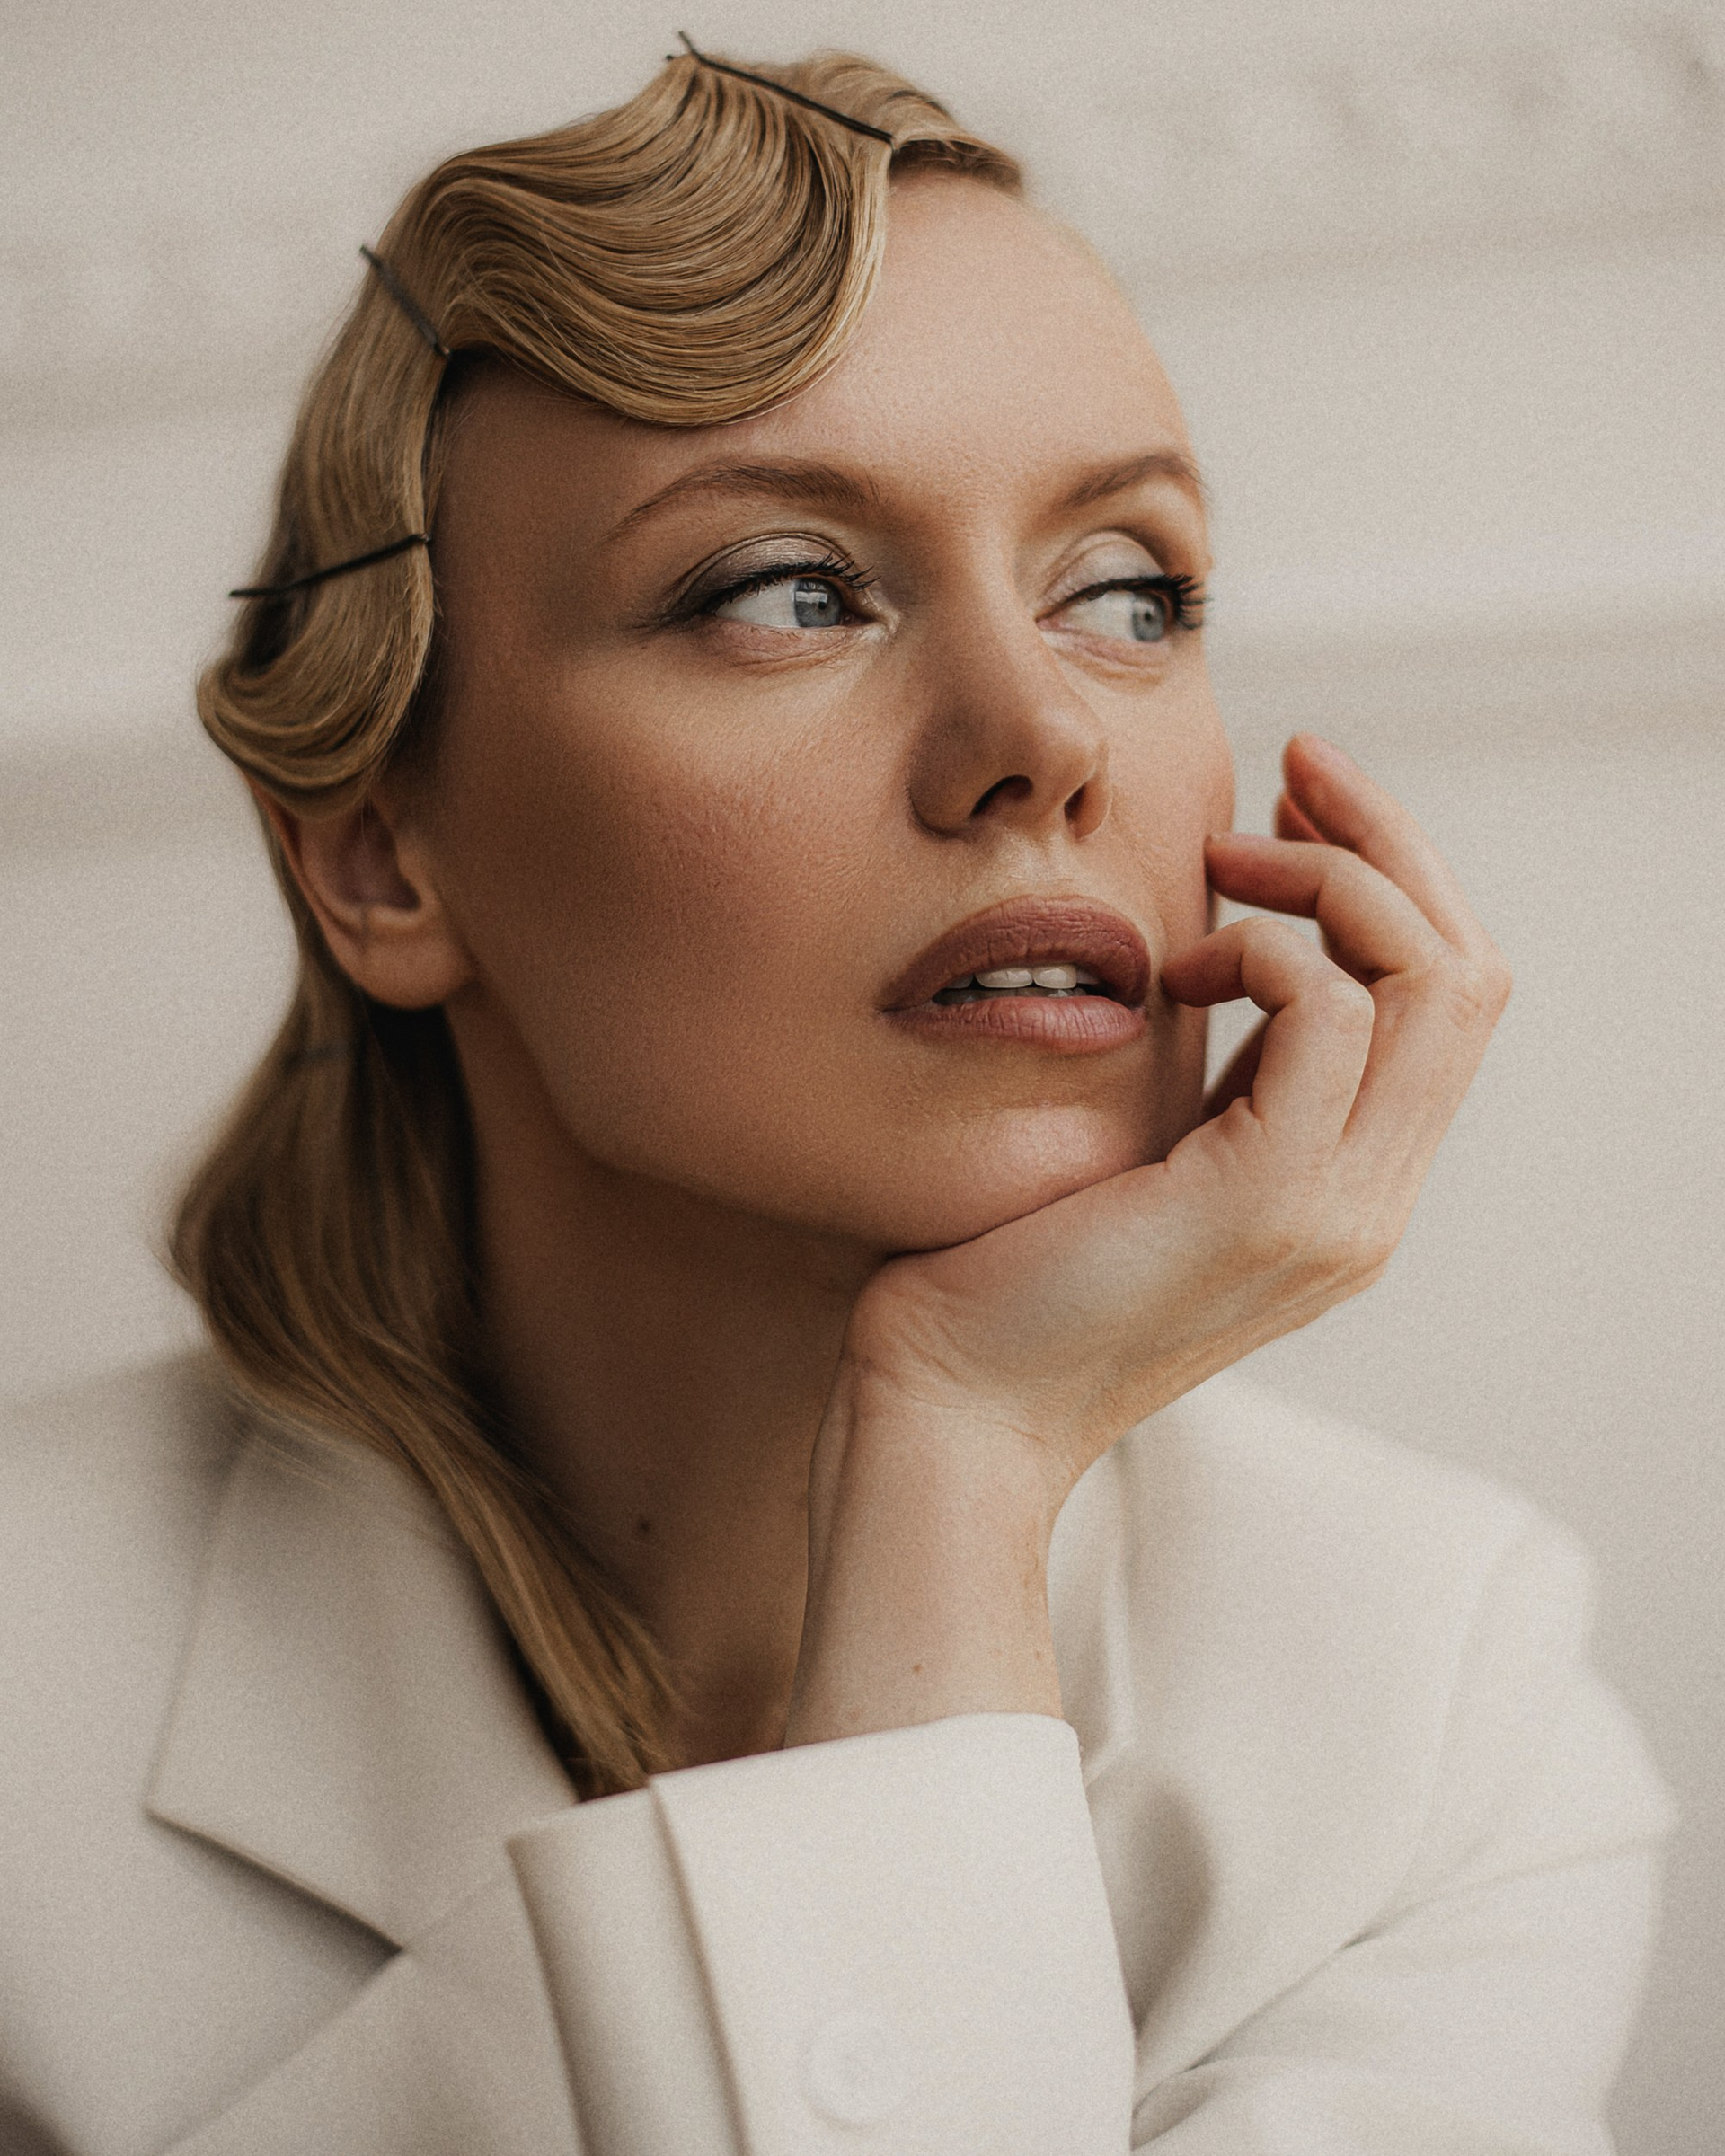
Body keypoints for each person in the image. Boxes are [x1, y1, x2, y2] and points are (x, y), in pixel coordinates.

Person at [0, 44, 1674, 2156]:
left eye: (1128, 590)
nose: (1040, 733)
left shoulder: (1434, 1705)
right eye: (787, 588)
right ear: (377, 857)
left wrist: (960, 1450)